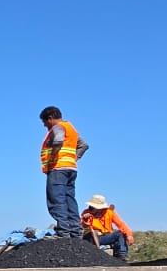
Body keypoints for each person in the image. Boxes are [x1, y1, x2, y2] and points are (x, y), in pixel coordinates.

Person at [38, 106, 87, 238]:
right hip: (71, 169)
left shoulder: (58, 127)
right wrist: (74, 158)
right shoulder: (71, 129)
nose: (45, 126)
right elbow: (84, 145)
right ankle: (75, 232)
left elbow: (58, 140)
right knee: (69, 199)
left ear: (50, 118)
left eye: (45, 122)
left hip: (58, 169)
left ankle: (63, 232)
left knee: (56, 200)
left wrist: (53, 158)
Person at [80, 194, 134, 259]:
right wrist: (85, 220)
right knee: (90, 235)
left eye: (93, 207)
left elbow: (121, 224)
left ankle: (122, 255)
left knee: (120, 233)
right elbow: (82, 225)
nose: (91, 208)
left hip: (106, 236)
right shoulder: (86, 213)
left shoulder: (109, 212)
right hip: (91, 238)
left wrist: (129, 235)